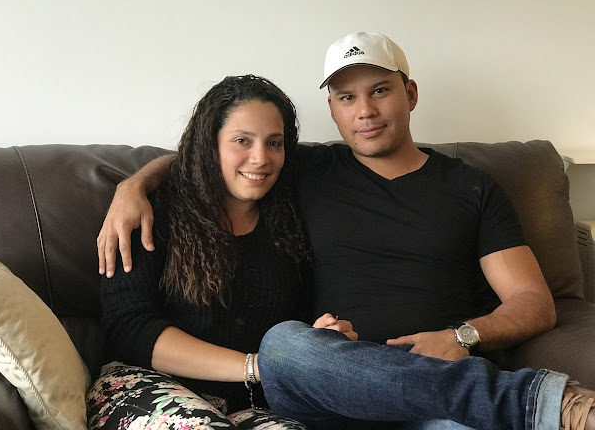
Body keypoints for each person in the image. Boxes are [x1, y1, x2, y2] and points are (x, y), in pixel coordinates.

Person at [95, 33, 595, 430]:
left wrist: (462, 336)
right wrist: (133, 186)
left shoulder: (472, 188)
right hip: (320, 390)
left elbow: (535, 303)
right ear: (331, 109)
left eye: (380, 90)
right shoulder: (307, 169)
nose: (365, 111)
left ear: (410, 94)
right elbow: (211, 159)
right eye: (346, 97)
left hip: (437, 387)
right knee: (287, 343)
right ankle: (544, 403)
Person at [87, 74, 358, 430]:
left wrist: (318, 337)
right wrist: (255, 366)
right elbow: (130, 329)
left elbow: (298, 319)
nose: (260, 158)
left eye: (274, 143)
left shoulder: (291, 219)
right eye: (242, 140)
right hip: (144, 387)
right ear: (209, 144)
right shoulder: (152, 213)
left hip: (251, 404)